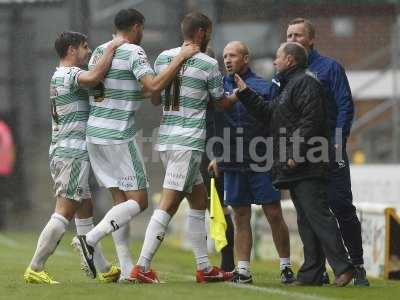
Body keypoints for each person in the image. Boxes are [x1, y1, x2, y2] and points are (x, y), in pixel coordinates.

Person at [71, 8, 199, 282]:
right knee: (139, 201)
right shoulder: (134, 51)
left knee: (121, 203)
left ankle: (128, 270)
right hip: (118, 134)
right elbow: (153, 86)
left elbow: (119, 87)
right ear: (137, 27)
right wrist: (180, 58)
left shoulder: (100, 51)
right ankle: (90, 240)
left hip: (95, 133)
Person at [234, 42, 354, 287]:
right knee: (306, 219)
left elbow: (311, 121)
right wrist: (245, 93)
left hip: (307, 163)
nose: (275, 62)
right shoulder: (289, 86)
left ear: (290, 60)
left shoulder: (305, 84)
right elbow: (270, 114)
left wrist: (297, 153)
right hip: (297, 165)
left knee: (318, 216)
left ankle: (344, 267)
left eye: (278, 58)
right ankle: (311, 272)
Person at [130, 12, 237, 284]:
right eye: (209, 31)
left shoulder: (164, 57)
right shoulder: (208, 63)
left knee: (198, 200)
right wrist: (239, 94)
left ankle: (204, 267)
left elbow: (154, 99)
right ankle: (141, 266)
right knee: (169, 203)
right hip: (187, 142)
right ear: (201, 32)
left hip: (166, 138)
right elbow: (220, 102)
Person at [270, 17, 369, 286]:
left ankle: (356, 265)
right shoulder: (283, 76)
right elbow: (275, 108)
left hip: (327, 149)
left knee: (340, 205)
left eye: (298, 35)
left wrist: (338, 140)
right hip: (303, 154)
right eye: (289, 35)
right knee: (308, 211)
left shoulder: (329, 68)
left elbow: (344, 105)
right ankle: (316, 271)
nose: (292, 39)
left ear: (311, 39)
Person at [24, 31, 126, 284]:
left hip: (70, 149)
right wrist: (112, 47)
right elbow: (93, 77)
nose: (89, 51)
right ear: (71, 50)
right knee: (64, 211)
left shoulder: (60, 75)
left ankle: (102, 268)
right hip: (70, 151)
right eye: (84, 46)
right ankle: (35, 267)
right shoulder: (69, 74)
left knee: (85, 209)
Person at [208, 41, 293, 284]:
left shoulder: (264, 87)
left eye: (232, 55)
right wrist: (216, 155)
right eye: (224, 56)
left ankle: (286, 266)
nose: (227, 60)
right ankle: (243, 270)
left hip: (261, 160)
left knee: (274, 213)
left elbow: (275, 122)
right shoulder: (217, 88)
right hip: (232, 160)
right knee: (240, 216)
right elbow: (215, 124)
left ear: (246, 58)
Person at [200, 47, 235, 273]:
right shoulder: (195, 88)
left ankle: (228, 260)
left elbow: (222, 126)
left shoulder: (219, 90)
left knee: (219, 209)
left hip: (213, 154)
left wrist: (218, 155)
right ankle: (204, 261)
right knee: (207, 209)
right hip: (196, 151)